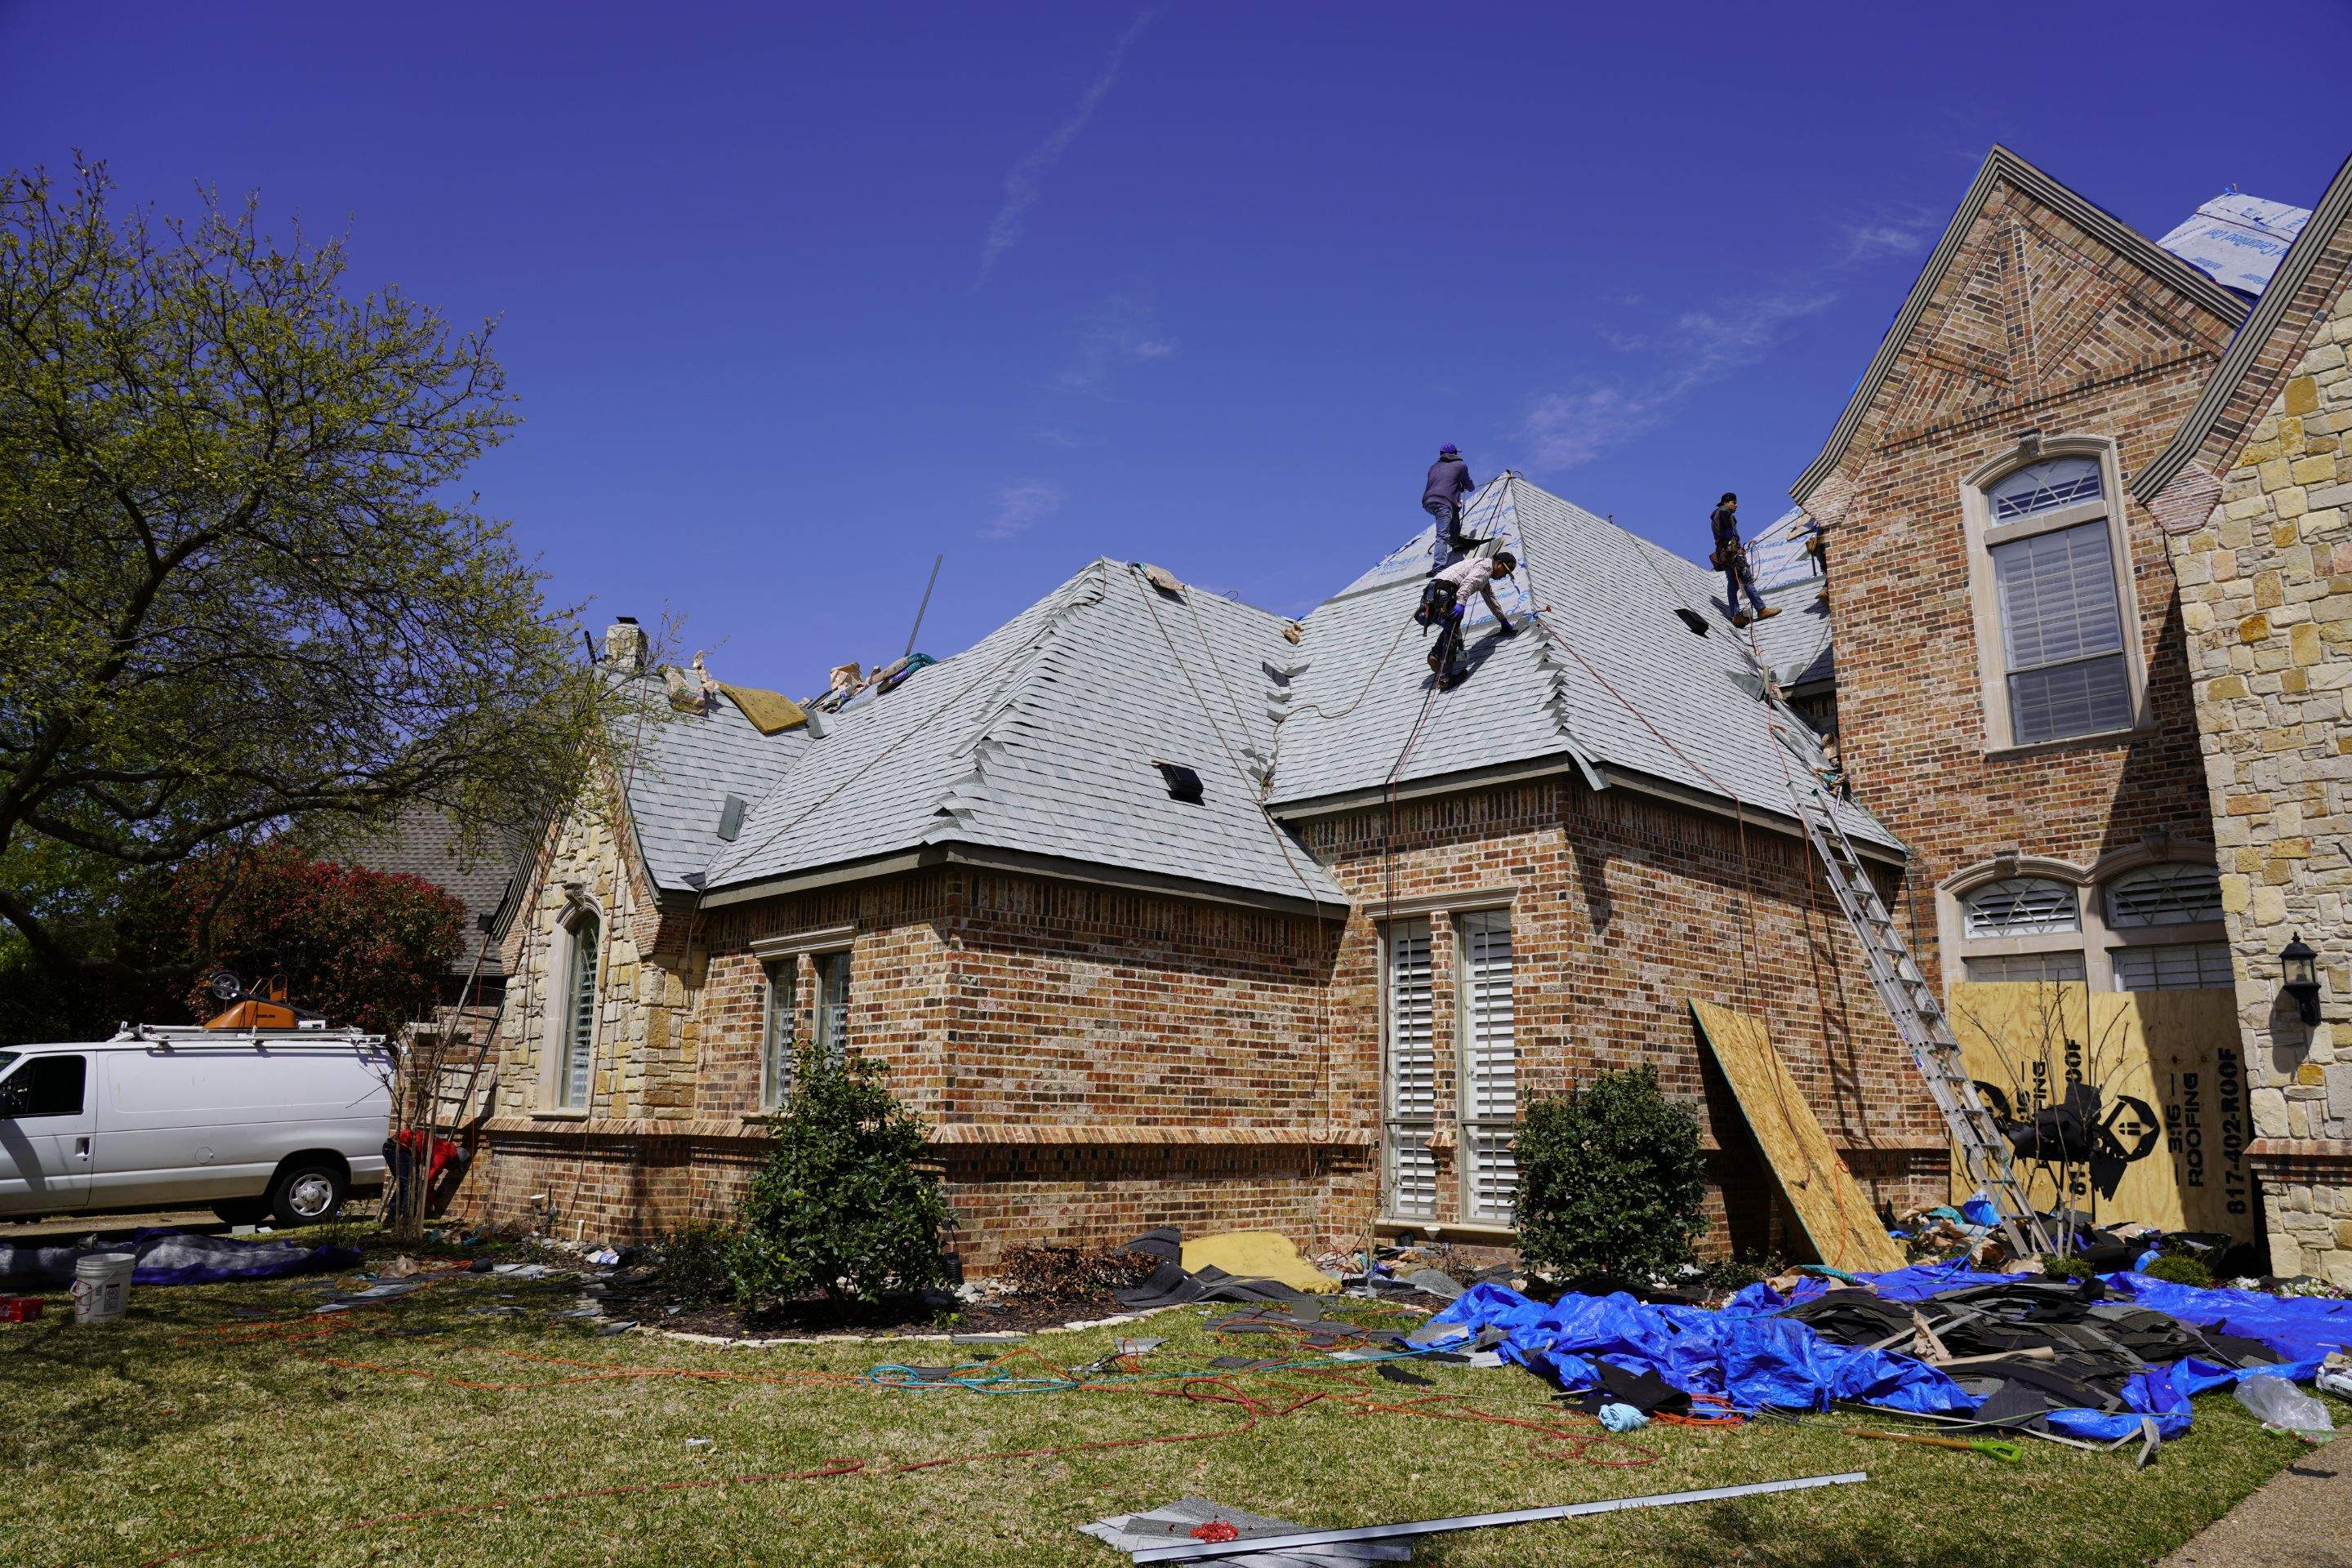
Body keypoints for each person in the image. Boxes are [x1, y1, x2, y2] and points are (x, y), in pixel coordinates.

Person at [1416, 550, 1519, 685]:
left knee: (1450, 628)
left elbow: (1490, 599)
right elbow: (1468, 583)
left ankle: (1435, 655)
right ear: (1499, 563)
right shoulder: (1486, 568)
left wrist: (1503, 620)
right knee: (1453, 630)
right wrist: (1461, 603)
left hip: (1430, 594)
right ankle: (1446, 678)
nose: (1503, 576)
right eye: (1504, 572)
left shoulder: (1482, 571)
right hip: (1444, 592)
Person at [1709, 492, 1779, 627]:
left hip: (1726, 555)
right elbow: (1728, 533)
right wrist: (1735, 546)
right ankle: (1761, 609)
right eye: (1734, 502)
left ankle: (1736, 615)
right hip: (1732, 554)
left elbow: (1722, 535)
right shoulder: (1724, 511)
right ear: (1725, 503)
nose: (1736, 505)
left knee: (1732, 584)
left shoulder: (1716, 516)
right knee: (1747, 581)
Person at [1423, 444, 1477, 573]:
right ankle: (1438, 567)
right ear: (1454, 453)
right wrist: (1467, 487)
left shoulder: (1433, 467)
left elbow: (1443, 481)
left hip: (1428, 501)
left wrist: (1456, 485)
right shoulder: (1460, 465)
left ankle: (1455, 541)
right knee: (1442, 536)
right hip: (1443, 502)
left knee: (1454, 514)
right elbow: (1468, 484)